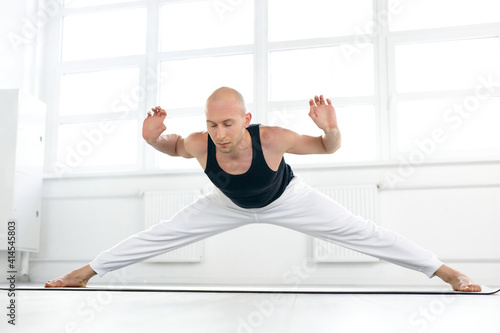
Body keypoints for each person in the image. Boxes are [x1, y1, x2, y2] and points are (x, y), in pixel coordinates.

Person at [45, 87, 481, 292]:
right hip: (227, 204)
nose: (219, 133)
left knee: (361, 231)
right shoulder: (199, 142)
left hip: (287, 199)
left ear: (246, 118)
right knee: (159, 235)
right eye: (212, 124)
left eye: (229, 124)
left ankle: (446, 272)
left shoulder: (271, 137)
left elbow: (327, 148)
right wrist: (150, 137)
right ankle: (81, 275)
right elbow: (171, 145)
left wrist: (333, 129)